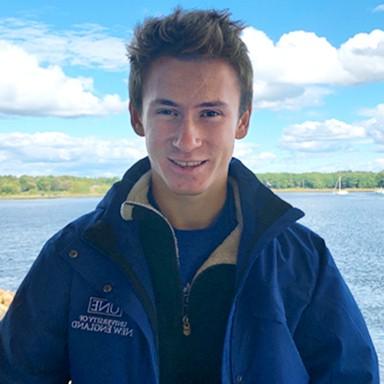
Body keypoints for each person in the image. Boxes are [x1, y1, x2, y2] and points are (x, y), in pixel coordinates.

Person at [0, 8, 379, 384]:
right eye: (167, 111)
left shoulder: (301, 262)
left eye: (210, 113)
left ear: (242, 120)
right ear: (137, 117)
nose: (188, 139)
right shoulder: (75, 256)